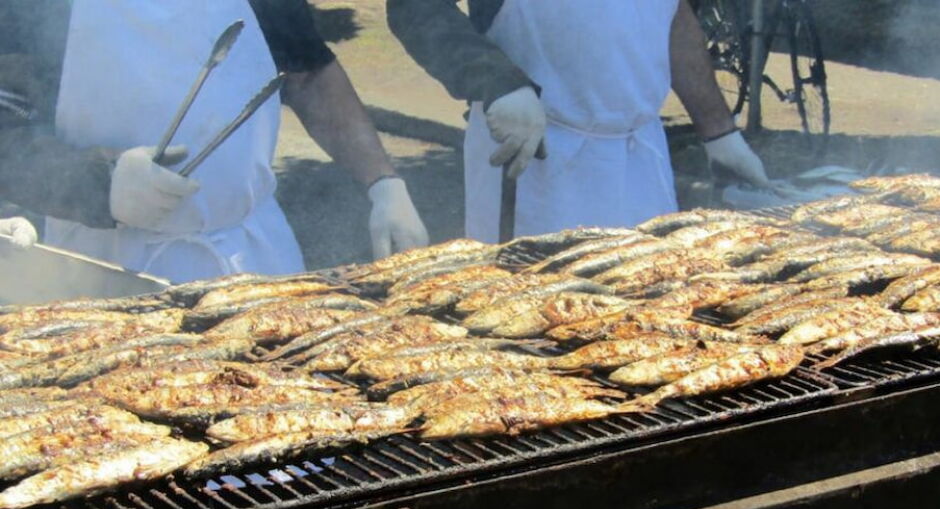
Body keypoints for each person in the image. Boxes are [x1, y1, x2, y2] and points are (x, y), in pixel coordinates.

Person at [0, 0, 428, 283]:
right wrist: (98, 185)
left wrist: (383, 183)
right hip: (105, 272)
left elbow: (308, 75)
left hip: (253, 262)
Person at [388, 0, 774, 242]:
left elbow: (674, 15)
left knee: (652, 312)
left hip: (641, 158)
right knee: (535, 325)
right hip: (537, 157)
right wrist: (495, 80)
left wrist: (719, 133)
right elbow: (417, 9)